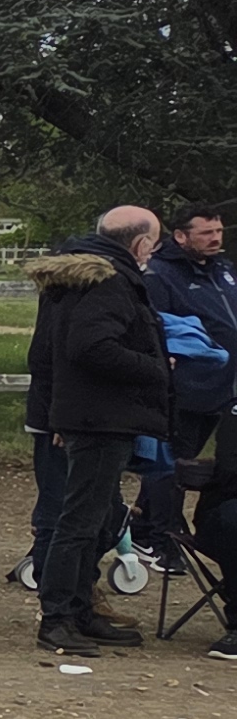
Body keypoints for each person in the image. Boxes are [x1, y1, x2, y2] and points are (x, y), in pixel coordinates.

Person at [25, 205, 168, 653]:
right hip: (101, 417)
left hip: (82, 414)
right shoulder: (109, 283)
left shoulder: (76, 280)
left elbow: (46, 354)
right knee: (81, 521)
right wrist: (155, 367)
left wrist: (57, 413)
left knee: (100, 517)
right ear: (141, 244)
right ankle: (59, 618)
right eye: (154, 243)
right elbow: (91, 346)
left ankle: (80, 608)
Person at [136, 202, 231, 570]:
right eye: (206, 232)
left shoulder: (222, 271)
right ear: (180, 235)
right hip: (184, 385)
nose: (215, 239)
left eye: (218, 231)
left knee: (190, 461)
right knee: (172, 463)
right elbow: (159, 328)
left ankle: (145, 523)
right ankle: (165, 540)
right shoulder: (161, 275)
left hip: (222, 385)